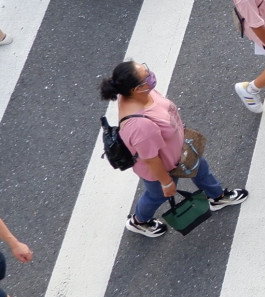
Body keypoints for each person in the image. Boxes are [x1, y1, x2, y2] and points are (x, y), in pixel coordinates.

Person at [101, 61, 248, 238]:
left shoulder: (140, 93)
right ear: (135, 89)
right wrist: (166, 182)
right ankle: (139, 222)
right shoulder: (139, 126)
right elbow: (150, 159)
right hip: (162, 169)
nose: (150, 75)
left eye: (147, 69)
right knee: (158, 196)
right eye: (146, 75)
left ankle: (217, 196)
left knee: (201, 169)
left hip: (180, 153)